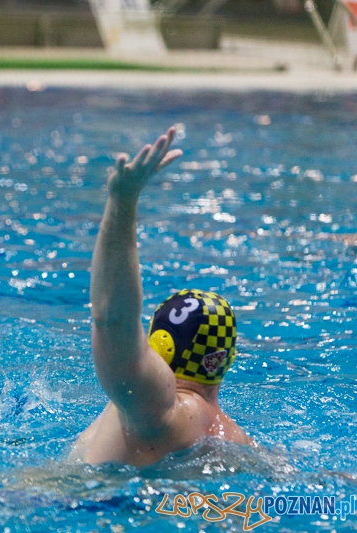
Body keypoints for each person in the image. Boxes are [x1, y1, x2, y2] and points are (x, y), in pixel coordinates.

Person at [69, 126, 252, 466]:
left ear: (158, 344)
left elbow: (113, 319)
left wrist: (122, 203)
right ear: (227, 358)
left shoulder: (154, 407)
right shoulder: (235, 439)